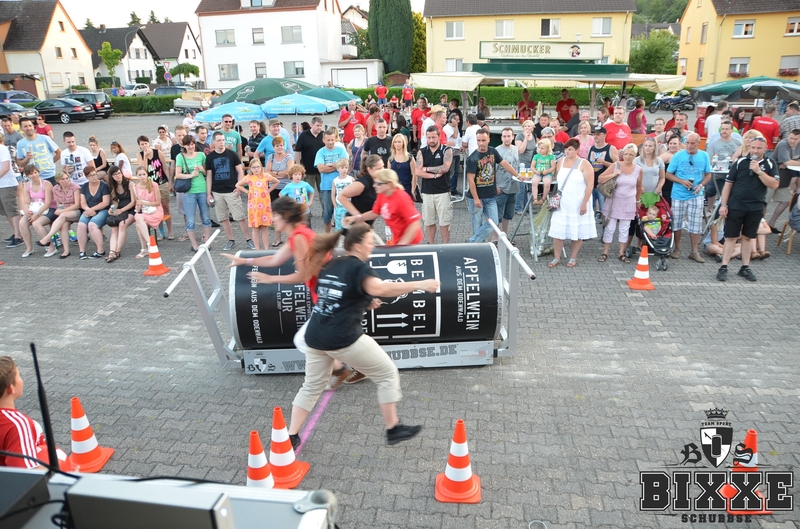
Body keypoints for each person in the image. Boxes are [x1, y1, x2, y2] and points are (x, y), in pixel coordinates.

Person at [283, 222, 438, 447]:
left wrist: (364, 302)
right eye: (369, 242)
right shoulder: (359, 268)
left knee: (311, 386)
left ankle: (291, 436)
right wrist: (421, 284)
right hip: (341, 337)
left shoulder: (332, 263)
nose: (372, 246)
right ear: (357, 246)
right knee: (387, 374)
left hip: (315, 336)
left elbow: (333, 295)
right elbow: (381, 289)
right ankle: (393, 429)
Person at [716, 136, 779, 282]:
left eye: (759, 148)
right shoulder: (740, 162)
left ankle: (745, 267)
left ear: (765, 148)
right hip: (736, 205)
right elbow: (728, 184)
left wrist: (759, 171)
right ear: (749, 147)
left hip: (756, 206)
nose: (755, 151)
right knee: (731, 236)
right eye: (753, 147)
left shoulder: (770, 163)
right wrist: (724, 205)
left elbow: (775, 184)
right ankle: (724, 266)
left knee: (748, 237)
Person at [547, 139, 597, 268]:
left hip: (578, 201)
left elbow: (590, 185)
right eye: (566, 149)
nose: (567, 151)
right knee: (558, 231)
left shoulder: (584, 164)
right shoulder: (561, 161)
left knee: (577, 231)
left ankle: (573, 257)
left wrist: (584, 203)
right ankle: (556, 257)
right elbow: (554, 176)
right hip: (563, 202)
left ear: (577, 150)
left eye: (570, 149)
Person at [465, 129, 520, 243]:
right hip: (477, 196)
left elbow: (504, 164)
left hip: (490, 196)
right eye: (479, 140)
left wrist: (518, 175)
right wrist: (476, 198)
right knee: (477, 224)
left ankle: (472, 242)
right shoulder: (473, 158)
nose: (481, 143)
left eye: (483, 140)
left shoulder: (492, 151)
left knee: (494, 222)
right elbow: (470, 180)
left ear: (488, 139)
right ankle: (477, 246)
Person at [345, 168, 423, 245]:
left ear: (389, 185)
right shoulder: (382, 194)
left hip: (410, 242)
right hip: (398, 239)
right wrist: (356, 218)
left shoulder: (401, 198)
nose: (374, 185)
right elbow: (375, 212)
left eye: (378, 183)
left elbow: (415, 224)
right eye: (374, 182)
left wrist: (401, 245)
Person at [666, 132, 711, 262]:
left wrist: (701, 185)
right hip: (678, 194)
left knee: (696, 223)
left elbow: (708, 174)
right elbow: (668, 174)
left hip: (696, 194)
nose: (689, 146)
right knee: (677, 223)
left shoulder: (704, 155)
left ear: (698, 143)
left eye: (692, 143)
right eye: (688, 143)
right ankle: (677, 249)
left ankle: (694, 251)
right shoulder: (678, 155)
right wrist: (681, 181)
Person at [0, 356, 50, 469]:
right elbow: (25, 473)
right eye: (19, 375)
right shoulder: (17, 424)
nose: (22, 380)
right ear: (11, 388)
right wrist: (65, 473)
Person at [597, 144, 643, 263]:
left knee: (624, 229)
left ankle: (621, 253)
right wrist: (614, 174)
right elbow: (600, 178)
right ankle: (605, 252)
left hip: (629, 202)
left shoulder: (638, 169)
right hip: (613, 202)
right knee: (610, 228)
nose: (628, 156)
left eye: (631, 154)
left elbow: (639, 186)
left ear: (635, 156)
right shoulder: (616, 165)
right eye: (626, 154)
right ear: (623, 155)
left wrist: (638, 200)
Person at [206, 131, 252, 250]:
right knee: (223, 218)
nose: (221, 142)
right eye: (219, 140)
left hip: (232, 190)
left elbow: (240, 171)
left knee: (240, 216)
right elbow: (209, 176)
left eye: (223, 140)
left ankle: (248, 239)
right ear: (214, 142)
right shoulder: (210, 157)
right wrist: (208, 193)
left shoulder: (232, 154)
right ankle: (230, 240)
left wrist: (239, 186)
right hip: (217, 191)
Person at [415, 126, 453, 244]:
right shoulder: (422, 151)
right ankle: (431, 244)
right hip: (427, 192)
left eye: (433, 137)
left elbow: (445, 168)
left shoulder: (447, 150)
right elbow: (417, 172)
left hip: (443, 191)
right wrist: (435, 175)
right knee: (429, 221)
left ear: (439, 136)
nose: (431, 140)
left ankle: (445, 246)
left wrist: (426, 169)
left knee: (444, 221)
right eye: (429, 137)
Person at [175, 135, 211, 253]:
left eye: (192, 144)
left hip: (202, 189)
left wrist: (201, 169)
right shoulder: (180, 156)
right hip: (189, 191)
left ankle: (207, 242)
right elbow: (177, 174)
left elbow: (207, 173)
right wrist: (191, 175)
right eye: (188, 145)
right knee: (190, 219)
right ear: (184, 145)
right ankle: (194, 244)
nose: (191, 147)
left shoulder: (201, 155)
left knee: (206, 217)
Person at [236, 157, 279, 249]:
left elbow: (276, 182)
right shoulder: (249, 177)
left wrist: (269, 190)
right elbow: (238, 185)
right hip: (254, 205)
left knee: (264, 227)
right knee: (255, 228)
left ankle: (266, 249)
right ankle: (257, 249)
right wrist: (247, 192)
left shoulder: (266, 176)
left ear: (261, 167)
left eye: (258, 167)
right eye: (254, 167)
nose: (256, 169)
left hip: (265, 205)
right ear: (250, 168)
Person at [136, 135, 173, 240]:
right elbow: (142, 170)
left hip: (161, 182)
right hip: (150, 185)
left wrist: (170, 182)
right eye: (142, 144)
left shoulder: (157, 152)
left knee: (165, 207)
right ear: (139, 146)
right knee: (155, 208)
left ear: (149, 143)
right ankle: (161, 232)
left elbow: (165, 168)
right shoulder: (140, 155)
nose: (144, 146)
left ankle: (170, 231)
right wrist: (145, 157)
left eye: (146, 143)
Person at [37, 171, 80, 258]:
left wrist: (62, 211)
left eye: (67, 178)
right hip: (64, 213)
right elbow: (58, 204)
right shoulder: (56, 189)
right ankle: (66, 251)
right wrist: (59, 210)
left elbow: (77, 205)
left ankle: (47, 238)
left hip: (76, 211)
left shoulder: (75, 187)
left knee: (62, 216)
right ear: (58, 181)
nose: (66, 181)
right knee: (63, 226)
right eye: (63, 179)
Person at [314, 127, 350, 233]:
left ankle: (344, 235)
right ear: (323, 140)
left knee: (344, 212)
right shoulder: (320, 152)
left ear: (335, 139)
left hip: (342, 186)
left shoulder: (341, 150)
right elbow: (321, 169)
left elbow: (345, 165)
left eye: (332, 140)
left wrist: (329, 165)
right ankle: (328, 237)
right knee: (327, 215)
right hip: (326, 187)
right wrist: (336, 165)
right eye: (328, 140)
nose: (330, 142)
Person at [766, 128, 800, 232]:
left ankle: (771, 223)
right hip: (772, 177)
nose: (792, 141)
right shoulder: (783, 144)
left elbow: (788, 163)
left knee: (786, 201)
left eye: (795, 139)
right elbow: (787, 162)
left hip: (785, 179)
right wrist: (790, 162)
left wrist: (790, 162)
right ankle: (758, 225)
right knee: (764, 202)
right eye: (791, 138)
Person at [18, 165, 55, 258]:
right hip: (35, 208)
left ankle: (51, 247)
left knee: (36, 223)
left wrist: (37, 214)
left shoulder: (46, 184)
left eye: (35, 172)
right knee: (22, 223)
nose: (34, 175)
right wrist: (27, 212)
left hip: (50, 208)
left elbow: (48, 203)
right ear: (27, 176)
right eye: (31, 174)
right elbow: (26, 202)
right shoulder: (27, 185)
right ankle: (29, 248)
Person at [338, 154, 382, 229]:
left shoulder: (378, 182)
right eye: (379, 168)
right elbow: (342, 196)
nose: (382, 170)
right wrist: (357, 216)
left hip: (366, 225)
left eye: (383, 167)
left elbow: (376, 211)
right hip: (355, 226)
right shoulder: (363, 183)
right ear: (369, 169)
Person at [77, 166, 110, 260]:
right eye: (90, 176)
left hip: (103, 210)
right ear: (86, 177)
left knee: (92, 224)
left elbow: (105, 202)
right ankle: (82, 251)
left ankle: (100, 250)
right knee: (81, 225)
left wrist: (92, 210)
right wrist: (88, 209)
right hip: (89, 209)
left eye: (94, 174)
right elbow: (83, 203)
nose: (94, 177)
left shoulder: (104, 185)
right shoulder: (84, 186)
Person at [705, 121, 743, 205]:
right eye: (722, 129)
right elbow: (708, 158)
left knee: (727, 194)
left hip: (732, 173)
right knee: (710, 191)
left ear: (732, 130)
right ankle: (710, 209)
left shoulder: (738, 143)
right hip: (717, 173)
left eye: (726, 129)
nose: (724, 131)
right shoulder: (714, 144)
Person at [16, 117, 60, 186]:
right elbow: (20, 163)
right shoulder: (20, 143)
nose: (28, 128)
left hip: (49, 176)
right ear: (21, 128)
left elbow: (59, 152)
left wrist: (51, 163)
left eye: (30, 125)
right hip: (33, 178)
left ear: (33, 126)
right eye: (25, 126)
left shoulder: (45, 138)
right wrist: (27, 159)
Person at [132, 166, 164, 259]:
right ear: (137, 176)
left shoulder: (154, 185)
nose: (142, 176)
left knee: (138, 222)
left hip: (155, 210)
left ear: (147, 174)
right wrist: (138, 207)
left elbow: (158, 202)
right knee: (138, 220)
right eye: (140, 175)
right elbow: (137, 203)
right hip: (144, 211)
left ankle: (146, 248)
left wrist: (144, 203)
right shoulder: (135, 187)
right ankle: (149, 245)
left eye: (144, 174)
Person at [588, 126, 619, 222]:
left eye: (598, 134)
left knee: (605, 212)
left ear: (604, 135)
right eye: (594, 134)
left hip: (604, 185)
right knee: (589, 212)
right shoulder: (591, 148)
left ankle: (605, 231)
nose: (595, 136)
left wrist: (604, 162)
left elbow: (618, 166)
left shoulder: (611, 148)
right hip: (591, 184)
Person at [104, 166, 135, 262]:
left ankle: (117, 251)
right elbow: (115, 202)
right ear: (112, 177)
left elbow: (133, 202)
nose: (117, 176)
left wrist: (121, 210)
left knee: (122, 225)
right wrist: (112, 209)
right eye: (115, 174)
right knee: (114, 228)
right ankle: (112, 252)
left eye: (119, 173)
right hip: (120, 209)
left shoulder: (130, 184)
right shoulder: (113, 186)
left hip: (131, 209)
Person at [494, 127, 520, 236]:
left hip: (513, 187)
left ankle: (504, 236)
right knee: (497, 214)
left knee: (508, 215)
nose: (507, 138)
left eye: (509, 136)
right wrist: (495, 186)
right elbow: (491, 170)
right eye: (504, 136)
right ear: (501, 138)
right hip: (501, 187)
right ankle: (495, 238)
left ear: (513, 137)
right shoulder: (496, 151)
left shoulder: (516, 150)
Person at [0, 132, 22, 248]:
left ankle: (19, 236)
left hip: (7, 184)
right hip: (1, 185)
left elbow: (6, 167)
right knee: (6, 211)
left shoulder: (2, 149)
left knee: (12, 210)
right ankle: (16, 233)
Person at [294, 117, 325, 194]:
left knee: (323, 193)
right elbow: (297, 151)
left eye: (321, 126)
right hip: (308, 170)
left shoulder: (323, 135)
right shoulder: (303, 135)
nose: (319, 128)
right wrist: (298, 166)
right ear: (312, 125)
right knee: (307, 193)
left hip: (322, 170)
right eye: (317, 125)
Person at [515, 120, 537, 213]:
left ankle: (527, 207)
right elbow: (521, 150)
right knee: (522, 187)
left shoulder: (534, 136)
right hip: (522, 164)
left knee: (530, 187)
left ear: (532, 128)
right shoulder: (519, 136)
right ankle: (518, 208)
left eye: (529, 126)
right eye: (526, 126)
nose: (527, 128)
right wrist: (525, 138)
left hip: (531, 165)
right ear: (523, 127)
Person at [658, 132, 682, 206]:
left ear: (679, 144)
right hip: (668, 187)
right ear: (667, 145)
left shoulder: (683, 154)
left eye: (675, 143)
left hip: (680, 185)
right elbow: (654, 165)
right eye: (670, 143)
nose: (672, 145)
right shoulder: (665, 156)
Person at [389, 133, 415, 198]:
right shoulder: (390, 159)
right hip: (394, 189)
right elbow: (389, 176)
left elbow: (414, 175)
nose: (397, 144)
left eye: (399, 142)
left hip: (407, 188)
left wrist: (413, 190)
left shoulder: (410, 158)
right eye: (395, 142)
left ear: (403, 143)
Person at [531, 139, 556, 206]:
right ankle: (535, 199)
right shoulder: (536, 156)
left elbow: (553, 167)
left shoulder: (551, 156)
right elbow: (532, 166)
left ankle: (543, 199)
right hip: (538, 173)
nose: (540, 149)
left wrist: (547, 171)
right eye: (539, 148)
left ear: (547, 149)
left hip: (547, 173)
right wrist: (536, 171)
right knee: (534, 182)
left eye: (542, 148)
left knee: (547, 183)